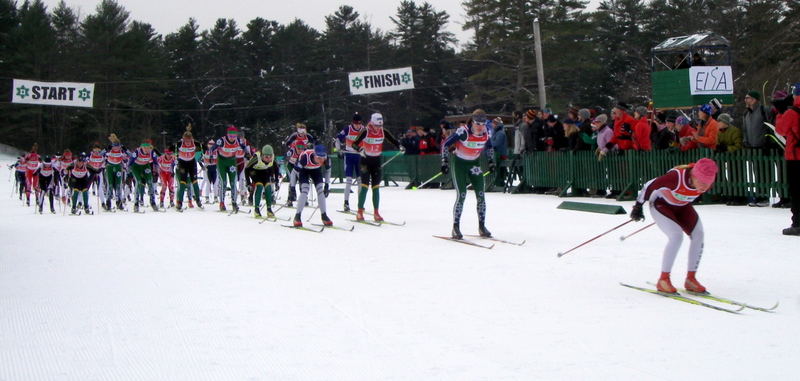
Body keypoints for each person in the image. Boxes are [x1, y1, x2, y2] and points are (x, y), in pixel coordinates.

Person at [630, 158, 718, 293]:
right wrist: (638, 207)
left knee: (698, 234)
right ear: (693, 176)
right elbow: (650, 185)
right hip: (661, 205)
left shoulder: (702, 181)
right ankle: (663, 279)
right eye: (701, 183)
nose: (704, 187)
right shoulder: (675, 178)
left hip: (681, 206)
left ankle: (690, 279)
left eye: (708, 184)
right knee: (676, 236)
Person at [440, 109, 496, 239]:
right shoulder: (463, 131)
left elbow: (489, 146)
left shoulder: (487, 132)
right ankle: (455, 227)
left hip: (474, 165)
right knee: (462, 195)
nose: (480, 127)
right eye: (477, 124)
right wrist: (444, 161)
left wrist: (491, 161)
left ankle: (482, 226)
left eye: (483, 124)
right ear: (472, 122)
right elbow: (445, 144)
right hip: (459, 164)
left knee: (481, 195)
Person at [351, 112, 403, 221]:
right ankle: (359, 212)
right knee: (364, 186)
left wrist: (400, 146)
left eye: (380, 126)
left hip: (376, 161)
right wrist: (359, 149)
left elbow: (393, 140)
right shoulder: (365, 131)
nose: (378, 128)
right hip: (365, 161)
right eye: (376, 126)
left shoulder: (383, 132)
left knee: (376, 187)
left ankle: (376, 213)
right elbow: (354, 144)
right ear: (371, 123)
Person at [775, 83, 800, 235]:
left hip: (795, 156)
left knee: (796, 191)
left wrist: (780, 112)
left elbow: (780, 129)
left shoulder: (792, 112)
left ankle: (797, 223)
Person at [742, 90, 773, 206]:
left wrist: (768, 141)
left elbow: (770, 126)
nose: (745, 100)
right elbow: (744, 130)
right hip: (753, 147)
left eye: (748, 98)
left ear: (754, 99)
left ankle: (765, 196)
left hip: (763, 146)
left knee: (765, 172)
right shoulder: (746, 113)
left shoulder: (763, 110)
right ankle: (759, 195)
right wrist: (745, 141)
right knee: (757, 172)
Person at [291, 144, 332, 227]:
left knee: (320, 190)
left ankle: (324, 215)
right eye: (319, 158)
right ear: (314, 155)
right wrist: (292, 188)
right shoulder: (305, 158)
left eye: (322, 158)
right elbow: (293, 172)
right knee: (305, 190)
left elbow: (328, 170)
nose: (321, 161)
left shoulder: (326, 159)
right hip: (304, 170)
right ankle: (297, 216)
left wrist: (327, 185)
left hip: (316, 170)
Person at [213, 126, 249, 212]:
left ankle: (234, 202)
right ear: (227, 135)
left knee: (233, 182)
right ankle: (222, 203)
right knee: (223, 182)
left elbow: (244, 147)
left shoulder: (238, 140)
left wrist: (247, 153)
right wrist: (211, 155)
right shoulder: (222, 140)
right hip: (222, 162)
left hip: (232, 162)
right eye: (230, 136)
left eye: (234, 136)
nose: (232, 138)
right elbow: (212, 147)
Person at [335, 113, 365, 212]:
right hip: (349, 156)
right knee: (348, 181)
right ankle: (346, 203)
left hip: (359, 157)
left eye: (359, 124)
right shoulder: (348, 129)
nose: (358, 126)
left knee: (360, 181)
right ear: (353, 123)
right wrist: (338, 150)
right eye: (356, 124)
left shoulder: (364, 129)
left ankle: (360, 204)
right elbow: (338, 139)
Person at [172, 125, 205, 210]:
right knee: (182, 183)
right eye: (186, 140)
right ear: (183, 138)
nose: (187, 142)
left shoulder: (195, 143)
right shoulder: (179, 143)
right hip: (182, 164)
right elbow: (170, 150)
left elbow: (205, 148)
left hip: (191, 163)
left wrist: (204, 150)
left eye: (189, 140)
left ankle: (198, 200)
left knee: (194, 182)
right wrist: (174, 155)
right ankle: (179, 202)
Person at [283, 123, 315, 206]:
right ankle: (290, 198)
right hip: (292, 161)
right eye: (300, 130)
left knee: (302, 179)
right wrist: (292, 147)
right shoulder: (294, 136)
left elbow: (314, 144)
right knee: (292, 180)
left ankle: (303, 198)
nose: (301, 133)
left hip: (301, 160)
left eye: (303, 130)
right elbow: (287, 144)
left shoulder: (308, 136)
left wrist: (309, 147)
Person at [245, 145, 281, 219]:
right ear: (262, 155)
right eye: (266, 157)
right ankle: (256, 210)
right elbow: (247, 169)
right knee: (259, 185)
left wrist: (277, 181)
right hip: (254, 172)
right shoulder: (256, 158)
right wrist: (248, 183)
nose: (268, 159)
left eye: (270, 157)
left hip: (264, 172)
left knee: (268, 187)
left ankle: (269, 210)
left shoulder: (273, 159)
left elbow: (276, 169)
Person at [127, 140, 160, 212]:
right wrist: (128, 170)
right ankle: (136, 204)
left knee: (150, 183)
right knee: (138, 183)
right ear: (141, 147)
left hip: (145, 167)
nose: (146, 149)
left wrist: (157, 169)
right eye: (144, 147)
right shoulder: (137, 152)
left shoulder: (151, 152)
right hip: (136, 168)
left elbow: (155, 161)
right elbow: (130, 161)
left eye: (148, 147)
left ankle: (153, 203)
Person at [104, 134, 128, 211]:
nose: (116, 148)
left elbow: (131, 155)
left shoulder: (121, 151)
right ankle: (108, 203)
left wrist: (126, 150)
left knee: (118, 185)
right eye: (114, 146)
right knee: (110, 185)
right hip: (109, 168)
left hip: (118, 168)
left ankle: (119, 202)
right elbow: (100, 154)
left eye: (117, 146)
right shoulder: (110, 150)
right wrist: (105, 149)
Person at [86, 143, 107, 210]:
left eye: (98, 151)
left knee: (100, 188)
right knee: (86, 188)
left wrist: (101, 168)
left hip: (98, 173)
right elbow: (86, 163)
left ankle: (103, 203)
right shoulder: (90, 154)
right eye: (95, 150)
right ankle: (84, 203)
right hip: (91, 172)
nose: (97, 152)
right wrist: (90, 169)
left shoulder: (102, 155)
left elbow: (104, 163)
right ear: (93, 150)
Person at [491, 116, 508, 187]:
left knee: (500, 170)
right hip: (497, 154)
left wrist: (489, 143)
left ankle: (500, 182)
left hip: (500, 154)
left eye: (493, 123)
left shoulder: (500, 133)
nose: (492, 125)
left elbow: (497, 143)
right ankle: (498, 182)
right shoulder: (496, 132)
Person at [201, 139, 219, 203]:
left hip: (214, 168)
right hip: (207, 168)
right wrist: (202, 166)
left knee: (215, 184)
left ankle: (215, 197)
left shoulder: (217, 151)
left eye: (212, 145)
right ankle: (207, 197)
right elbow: (199, 159)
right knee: (208, 183)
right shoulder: (205, 151)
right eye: (209, 145)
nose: (211, 146)